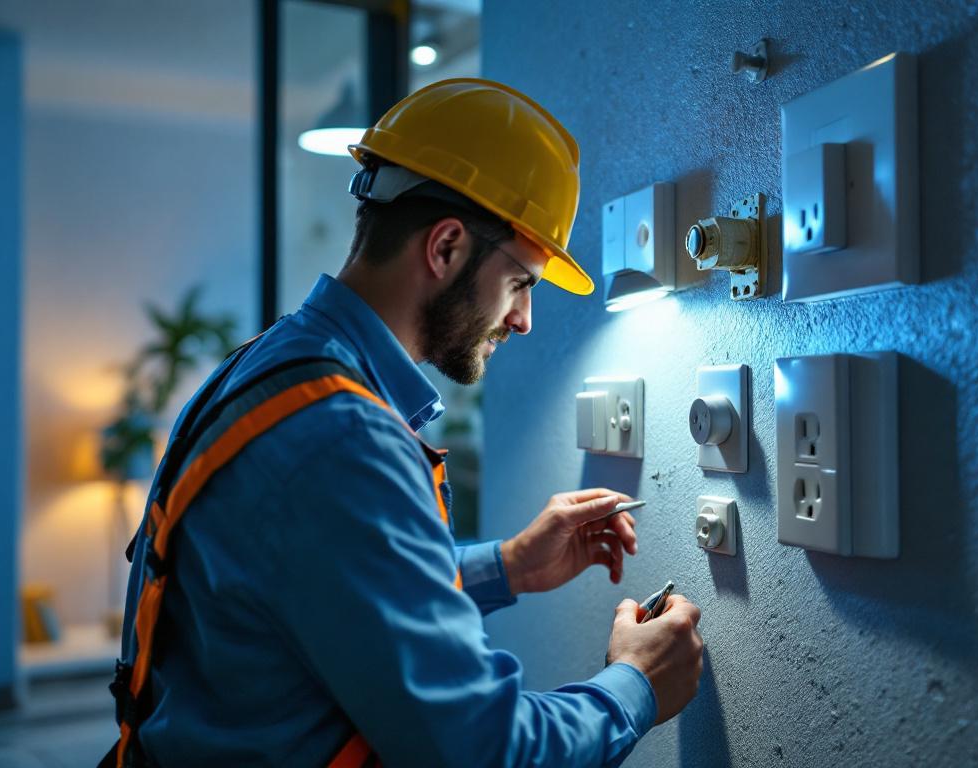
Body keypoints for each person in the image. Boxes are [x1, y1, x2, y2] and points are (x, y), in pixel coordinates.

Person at [104, 78, 704, 768]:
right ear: (446, 248)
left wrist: (505, 567)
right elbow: (482, 750)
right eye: (521, 283)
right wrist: (636, 686)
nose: (523, 319)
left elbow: (322, 586)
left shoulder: (271, 367)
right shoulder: (344, 437)